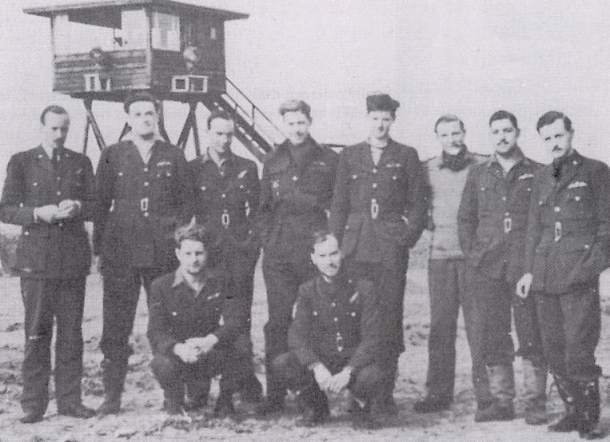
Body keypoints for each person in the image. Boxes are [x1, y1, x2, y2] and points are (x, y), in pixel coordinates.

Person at [94, 92, 192, 415]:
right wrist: (99, 250)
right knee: (116, 324)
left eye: (150, 113)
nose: (144, 119)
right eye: (138, 114)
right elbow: (99, 206)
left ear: (158, 116)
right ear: (127, 119)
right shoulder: (112, 155)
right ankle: (112, 396)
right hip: (120, 251)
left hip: (162, 252)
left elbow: (187, 204)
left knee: (167, 321)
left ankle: (173, 394)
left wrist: (174, 236)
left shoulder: (174, 155)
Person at [328, 93, 427, 413]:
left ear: (393, 120)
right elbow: (339, 204)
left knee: (388, 318)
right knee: (356, 316)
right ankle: (358, 390)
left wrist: (406, 237)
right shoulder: (350, 155)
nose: (380, 124)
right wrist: (337, 246)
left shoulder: (406, 155)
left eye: (386, 118)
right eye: (375, 118)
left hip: (389, 249)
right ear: (367, 118)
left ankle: (384, 392)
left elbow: (418, 203)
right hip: (356, 249)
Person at [516, 111, 609, 439]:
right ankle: (572, 410)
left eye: (559, 136)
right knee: (552, 347)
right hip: (544, 274)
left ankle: (588, 418)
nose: (554, 143)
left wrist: (588, 269)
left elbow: (606, 227)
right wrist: (528, 271)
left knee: (578, 347)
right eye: (548, 138)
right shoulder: (541, 177)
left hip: (577, 277)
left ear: (571, 134)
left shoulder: (596, 171)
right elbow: (532, 229)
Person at [0, 105, 96, 423]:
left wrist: (79, 205)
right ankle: (33, 405)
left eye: (64, 129)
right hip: (36, 264)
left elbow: (96, 204)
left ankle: (70, 402)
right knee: (37, 335)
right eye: (53, 128)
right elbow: (7, 209)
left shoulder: (80, 162)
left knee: (71, 335)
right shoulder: (22, 161)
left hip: (71, 263)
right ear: (42, 127)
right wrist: (38, 213)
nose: (59, 135)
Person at [457, 110, 546, 424]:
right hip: (488, 266)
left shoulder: (537, 172)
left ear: (518, 133)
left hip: (523, 266)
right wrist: (473, 255)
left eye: (507, 130)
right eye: (496, 131)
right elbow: (466, 218)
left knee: (531, 333)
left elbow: (544, 221)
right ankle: (502, 402)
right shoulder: (479, 173)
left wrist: (534, 265)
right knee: (493, 334)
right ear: (490, 135)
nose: (502, 136)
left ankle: (535, 404)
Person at [256, 99, 339, 414]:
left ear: (309, 122)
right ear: (283, 125)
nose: (296, 128)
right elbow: (263, 208)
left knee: (314, 321)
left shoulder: (328, 159)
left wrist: (328, 246)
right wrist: (268, 240)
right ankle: (274, 395)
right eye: (290, 123)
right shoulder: (272, 159)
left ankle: (313, 394)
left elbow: (337, 206)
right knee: (278, 323)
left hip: (314, 254)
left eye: (301, 122)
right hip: (279, 256)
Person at [414, 115, 491, 414]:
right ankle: (438, 393)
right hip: (440, 258)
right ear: (438, 137)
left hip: (473, 260)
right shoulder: (428, 168)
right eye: (445, 135)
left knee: (478, 327)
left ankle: (486, 395)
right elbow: (421, 208)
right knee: (441, 327)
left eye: (456, 132)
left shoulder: (483, 165)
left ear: (465, 132)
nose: (452, 139)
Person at [273, 231, 385, 430]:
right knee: (283, 364)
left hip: (352, 361)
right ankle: (316, 406)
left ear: (341, 253)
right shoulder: (307, 291)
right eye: (323, 256)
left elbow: (372, 338)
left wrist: (349, 370)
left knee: (373, 375)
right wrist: (315, 366)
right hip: (323, 361)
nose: (329, 262)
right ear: (313, 259)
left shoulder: (363, 288)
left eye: (333, 254)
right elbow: (296, 336)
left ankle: (360, 407)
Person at [188, 109, 262, 402]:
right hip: (207, 257)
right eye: (218, 133)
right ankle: (197, 387)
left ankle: (244, 384)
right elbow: (185, 213)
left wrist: (251, 245)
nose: (224, 140)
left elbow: (257, 211)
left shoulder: (247, 166)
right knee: (202, 318)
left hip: (238, 256)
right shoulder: (193, 168)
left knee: (240, 320)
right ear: (208, 133)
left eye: (229, 134)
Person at [147, 221, 252, 416]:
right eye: (188, 254)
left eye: (199, 253)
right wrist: (179, 349)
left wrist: (210, 341)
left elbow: (235, 320)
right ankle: (175, 399)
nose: (194, 260)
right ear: (178, 254)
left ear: (207, 254)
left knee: (242, 346)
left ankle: (225, 401)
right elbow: (155, 331)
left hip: (210, 351)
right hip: (181, 354)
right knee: (161, 363)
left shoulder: (222, 281)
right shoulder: (160, 286)